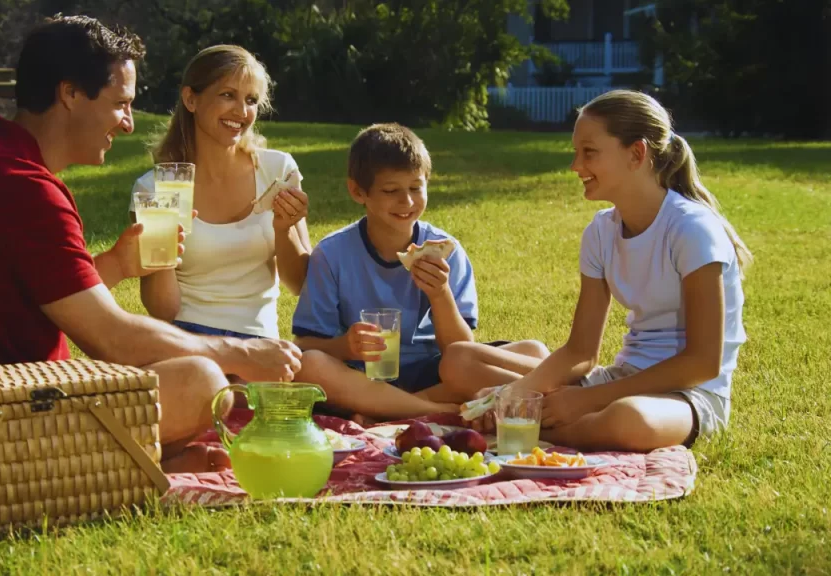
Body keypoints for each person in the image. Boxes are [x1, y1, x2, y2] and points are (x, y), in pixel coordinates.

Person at [0, 15, 302, 473]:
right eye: (120, 104)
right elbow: (113, 339)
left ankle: (145, 458)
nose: (127, 124)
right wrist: (241, 354)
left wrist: (119, 263)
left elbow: (36, 302)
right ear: (70, 94)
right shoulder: (25, 188)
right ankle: (116, 464)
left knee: (187, 377)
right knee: (202, 380)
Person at [466, 89, 751, 452]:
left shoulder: (691, 230)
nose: (576, 166)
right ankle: (527, 420)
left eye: (589, 152)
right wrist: (517, 392)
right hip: (621, 380)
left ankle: (530, 429)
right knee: (464, 364)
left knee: (629, 421)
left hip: (689, 395)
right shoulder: (600, 232)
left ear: (636, 154)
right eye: (576, 152)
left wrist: (584, 401)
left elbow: (702, 363)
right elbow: (581, 352)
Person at [291, 123, 547, 421]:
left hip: (432, 372)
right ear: (357, 191)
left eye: (416, 188)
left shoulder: (446, 252)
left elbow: (461, 349)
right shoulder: (332, 254)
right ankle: (436, 411)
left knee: (534, 351)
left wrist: (440, 295)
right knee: (309, 365)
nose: (407, 202)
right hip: (361, 377)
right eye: (391, 191)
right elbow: (304, 345)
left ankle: (390, 410)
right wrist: (344, 346)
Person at [131, 45, 311, 352]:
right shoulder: (156, 189)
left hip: (260, 343)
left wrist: (284, 229)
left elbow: (301, 285)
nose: (242, 112)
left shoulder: (276, 170)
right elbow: (162, 311)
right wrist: (164, 246)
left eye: (251, 100)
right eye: (228, 95)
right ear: (191, 99)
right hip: (188, 343)